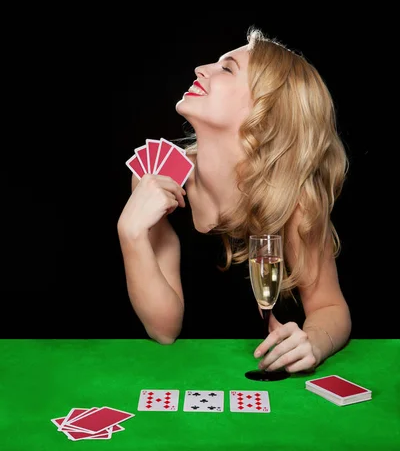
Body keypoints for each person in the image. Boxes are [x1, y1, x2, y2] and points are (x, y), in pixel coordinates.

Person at [117, 27, 352, 374]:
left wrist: (314, 342)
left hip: (261, 379)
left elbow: (331, 307)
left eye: (227, 68)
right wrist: (130, 234)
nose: (201, 68)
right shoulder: (158, 175)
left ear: (265, 111)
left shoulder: (292, 198)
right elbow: (164, 330)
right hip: (186, 376)